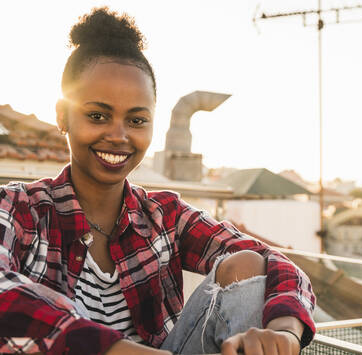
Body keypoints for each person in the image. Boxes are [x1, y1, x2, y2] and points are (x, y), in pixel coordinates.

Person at [0, 7, 315, 355]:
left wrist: (284, 331)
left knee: (247, 264)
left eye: (136, 120)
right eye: (97, 115)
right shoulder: (18, 208)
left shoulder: (165, 215)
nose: (119, 136)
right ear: (63, 115)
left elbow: (274, 263)